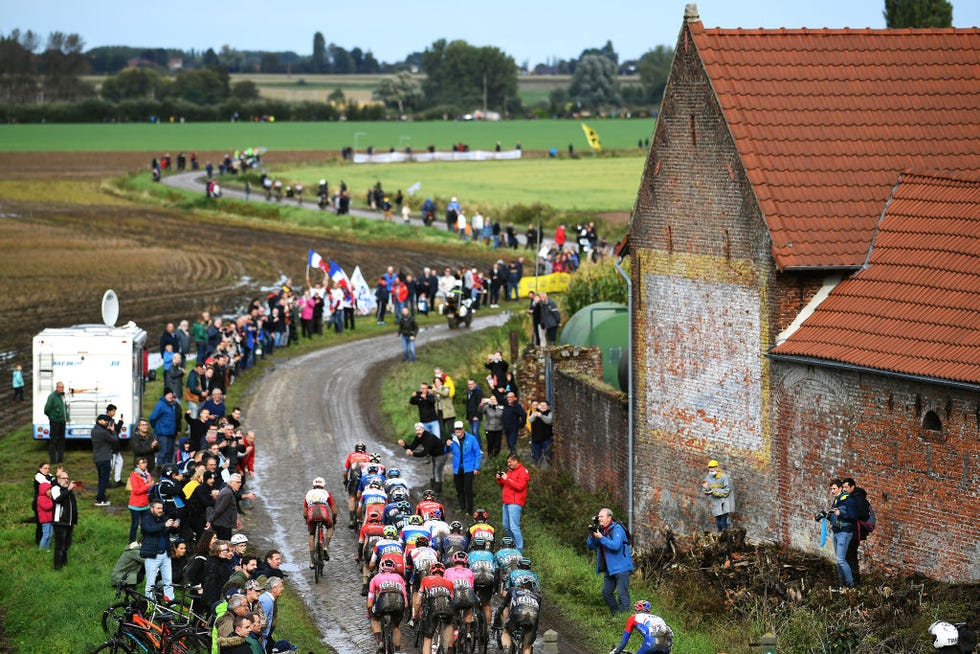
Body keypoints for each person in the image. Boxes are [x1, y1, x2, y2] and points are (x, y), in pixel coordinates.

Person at [587, 508, 634, 615]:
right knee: (606, 593)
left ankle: (625, 621)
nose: (599, 519)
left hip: (622, 568)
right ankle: (616, 615)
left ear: (609, 518)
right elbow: (591, 546)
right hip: (609, 569)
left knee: (622, 595)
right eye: (598, 517)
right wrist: (591, 535)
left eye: (602, 517)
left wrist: (601, 538)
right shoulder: (601, 530)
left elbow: (616, 546)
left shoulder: (617, 529)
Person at [367, 558, 408, 653]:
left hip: (383, 600)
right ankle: (397, 651)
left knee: (374, 619)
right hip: (399, 601)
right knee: (396, 627)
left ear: (381, 568)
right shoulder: (399, 578)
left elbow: (369, 603)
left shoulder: (375, 578)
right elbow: (405, 603)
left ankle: (379, 642)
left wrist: (370, 613)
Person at [413, 561, 454, 654]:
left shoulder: (426, 579)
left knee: (427, 638)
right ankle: (447, 646)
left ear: (431, 571)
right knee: (449, 626)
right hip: (447, 607)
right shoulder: (449, 582)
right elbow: (452, 599)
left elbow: (418, 601)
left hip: (433, 608)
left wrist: (415, 615)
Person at [492, 577, 540, 654]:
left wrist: (497, 617)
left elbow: (503, 606)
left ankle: (506, 649)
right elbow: (538, 614)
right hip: (533, 617)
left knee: (506, 632)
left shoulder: (513, 590)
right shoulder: (537, 596)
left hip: (518, 614)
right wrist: (535, 630)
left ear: (521, 584)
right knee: (527, 646)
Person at [141, 499, 177, 601]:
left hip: (165, 554)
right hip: (152, 555)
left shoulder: (163, 518)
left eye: (161, 508)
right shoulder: (146, 518)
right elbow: (150, 529)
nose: (160, 510)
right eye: (158, 508)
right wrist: (164, 525)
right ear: (152, 508)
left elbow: (168, 531)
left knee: (168, 581)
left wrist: (174, 526)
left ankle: (170, 602)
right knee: (150, 583)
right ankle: (150, 603)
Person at [398, 423, 449, 492]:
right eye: (416, 430)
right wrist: (404, 445)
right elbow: (412, 447)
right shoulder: (418, 437)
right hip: (434, 454)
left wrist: (413, 454)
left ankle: (438, 491)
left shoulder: (429, 437)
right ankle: (434, 489)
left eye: (419, 430)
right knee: (434, 471)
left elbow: (424, 453)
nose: (418, 432)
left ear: (423, 429)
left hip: (442, 454)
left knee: (437, 472)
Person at [609, 600, 674, 654]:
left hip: (652, 642)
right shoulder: (659, 618)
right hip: (668, 644)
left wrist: (616, 652)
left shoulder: (633, 618)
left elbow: (624, 642)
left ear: (637, 610)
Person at [841, 477, 870, 585]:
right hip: (851, 532)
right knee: (848, 555)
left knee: (850, 556)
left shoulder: (858, 498)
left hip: (854, 533)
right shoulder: (852, 497)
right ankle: (852, 581)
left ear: (853, 487)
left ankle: (853, 582)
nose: (844, 489)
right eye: (843, 487)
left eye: (846, 487)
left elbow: (863, 514)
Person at [496, 454, 528, 551]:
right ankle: (513, 544)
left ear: (515, 461)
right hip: (506, 501)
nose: (509, 464)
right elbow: (504, 483)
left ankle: (519, 548)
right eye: (508, 462)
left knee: (514, 527)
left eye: (510, 462)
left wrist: (507, 479)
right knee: (506, 526)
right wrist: (499, 478)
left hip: (515, 502)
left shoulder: (523, 472)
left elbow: (520, 487)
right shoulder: (510, 470)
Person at [449, 421, 482, 516]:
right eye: (456, 429)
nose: (458, 430)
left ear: (463, 429)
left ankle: (469, 510)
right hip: (457, 469)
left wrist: (476, 467)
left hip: (469, 468)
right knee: (459, 489)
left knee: (468, 489)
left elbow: (478, 454)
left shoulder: (471, 439)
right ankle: (462, 508)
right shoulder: (452, 439)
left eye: (460, 428)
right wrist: (447, 445)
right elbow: (445, 450)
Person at [304, 476, 337, 568]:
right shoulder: (326, 493)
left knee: (311, 535)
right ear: (323, 485)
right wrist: (334, 520)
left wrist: (307, 522)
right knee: (330, 527)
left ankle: (312, 561)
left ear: (313, 485)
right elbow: (334, 511)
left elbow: (304, 512)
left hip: (311, 512)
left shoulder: (308, 493)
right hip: (323, 512)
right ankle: (325, 546)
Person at [50, 468, 78, 570]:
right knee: (59, 547)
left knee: (66, 546)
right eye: (63, 478)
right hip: (60, 522)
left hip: (69, 522)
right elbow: (58, 500)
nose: (66, 480)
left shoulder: (67, 490)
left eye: (67, 478)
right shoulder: (55, 488)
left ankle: (64, 565)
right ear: (58, 479)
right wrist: (68, 490)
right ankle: (57, 568)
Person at [149, 388, 181, 467]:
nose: (170, 396)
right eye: (168, 394)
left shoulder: (173, 405)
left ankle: (168, 471)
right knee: (162, 453)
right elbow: (152, 417)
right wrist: (156, 427)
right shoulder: (160, 404)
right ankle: (159, 470)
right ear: (165, 395)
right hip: (162, 433)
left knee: (170, 453)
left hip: (172, 433)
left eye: (171, 394)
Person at [701, 459, 735, 531]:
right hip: (716, 502)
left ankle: (724, 538)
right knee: (718, 523)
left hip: (724, 502)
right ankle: (719, 538)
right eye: (710, 467)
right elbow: (707, 489)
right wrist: (706, 490)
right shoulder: (708, 477)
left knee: (723, 523)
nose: (711, 469)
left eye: (713, 467)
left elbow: (726, 491)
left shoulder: (724, 477)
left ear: (717, 467)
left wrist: (714, 491)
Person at [91, 413, 116, 506]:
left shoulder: (94, 430)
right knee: (104, 480)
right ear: (99, 420)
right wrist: (113, 431)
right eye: (105, 421)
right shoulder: (103, 432)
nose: (106, 423)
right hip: (104, 458)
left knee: (101, 478)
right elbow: (114, 440)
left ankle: (101, 497)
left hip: (98, 458)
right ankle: (100, 499)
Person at [128, 457, 153, 543]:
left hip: (145, 504)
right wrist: (148, 486)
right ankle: (131, 542)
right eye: (142, 463)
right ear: (137, 465)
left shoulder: (148, 474)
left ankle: (143, 541)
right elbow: (136, 491)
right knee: (135, 525)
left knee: (145, 524)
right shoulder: (134, 475)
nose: (144, 464)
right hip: (135, 505)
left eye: (145, 462)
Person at [43, 381, 68, 465]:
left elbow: (64, 408)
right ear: (57, 387)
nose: (62, 388)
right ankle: (53, 460)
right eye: (60, 387)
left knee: (62, 440)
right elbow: (47, 409)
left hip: (62, 421)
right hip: (55, 422)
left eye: (63, 387)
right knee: (53, 440)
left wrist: (67, 417)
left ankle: (60, 459)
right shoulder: (52, 397)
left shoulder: (63, 396)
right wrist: (52, 417)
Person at [527, 400, 553, 466]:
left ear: (548, 407)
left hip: (546, 439)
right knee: (536, 456)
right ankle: (537, 470)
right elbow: (530, 420)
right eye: (541, 405)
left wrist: (541, 416)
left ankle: (548, 470)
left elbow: (549, 421)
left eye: (544, 405)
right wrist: (535, 415)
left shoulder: (549, 413)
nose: (542, 407)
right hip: (535, 439)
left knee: (548, 456)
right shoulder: (535, 412)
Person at [464, 379, 484, 447]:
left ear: (475, 384)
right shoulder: (468, 392)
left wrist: (477, 416)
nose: (470, 386)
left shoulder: (478, 392)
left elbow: (480, 405)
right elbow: (467, 405)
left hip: (476, 416)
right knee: (472, 433)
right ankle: (474, 447)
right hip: (470, 416)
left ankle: (479, 446)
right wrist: (467, 417)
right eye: (469, 384)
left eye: (472, 384)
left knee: (476, 432)